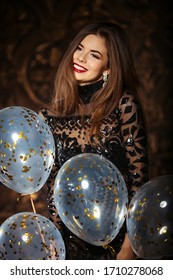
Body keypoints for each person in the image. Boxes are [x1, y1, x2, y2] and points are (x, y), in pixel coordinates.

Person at [39, 22, 148, 260]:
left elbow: (139, 183)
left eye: (94, 55)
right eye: (79, 49)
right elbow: (53, 189)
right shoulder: (48, 116)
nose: (80, 58)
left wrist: (128, 248)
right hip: (70, 244)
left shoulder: (124, 106)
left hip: (119, 241)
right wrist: (56, 248)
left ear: (109, 66)